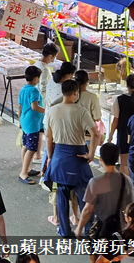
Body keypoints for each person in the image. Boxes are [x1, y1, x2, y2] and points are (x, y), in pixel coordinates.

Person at [42, 79, 100, 237]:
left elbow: (49, 137)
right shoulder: (81, 111)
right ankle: (88, 230)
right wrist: (91, 154)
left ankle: (64, 230)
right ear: (76, 93)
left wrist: (50, 158)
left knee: (61, 195)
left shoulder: (52, 111)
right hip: (78, 156)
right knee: (84, 196)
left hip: (59, 156)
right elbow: (96, 133)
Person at [75, 143, 134, 241]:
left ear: (101, 159)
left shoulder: (95, 182)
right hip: (122, 229)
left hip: (103, 229)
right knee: (116, 255)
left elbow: (87, 210)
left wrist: (79, 228)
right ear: (117, 159)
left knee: (99, 255)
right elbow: (131, 206)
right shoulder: (127, 180)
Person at [110, 74, 134, 177]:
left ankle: (124, 188)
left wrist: (110, 135)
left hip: (124, 134)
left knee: (124, 163)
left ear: (126, 84)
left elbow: (116, 120)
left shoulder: (120, 100)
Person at [18, 66, 46, 184]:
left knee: (26, 145)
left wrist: (20, 120)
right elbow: (34, 106)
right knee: (32, 148)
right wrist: (47, 111)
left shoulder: (23, 89)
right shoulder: (34, 90)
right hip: (32, 123)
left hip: (25, 121)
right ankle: (23, 173)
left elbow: (20, 106)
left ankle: (26, 168)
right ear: (35, 78)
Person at [75, 69, 102, 140]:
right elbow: (97, 117)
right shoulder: (92, 97)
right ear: (87, 81)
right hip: (87, 134)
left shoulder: (70, 95)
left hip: (72, 133)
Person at [34, 43, 58, 108]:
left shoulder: (37, 63)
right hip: (42, 101)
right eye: (54, 57)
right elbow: (44, 88)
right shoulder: (45, 69)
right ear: (50, 56)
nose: (53, 60)